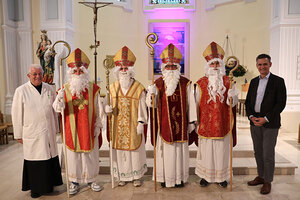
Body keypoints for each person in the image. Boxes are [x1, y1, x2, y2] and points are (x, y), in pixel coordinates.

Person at [52, 48, 104, 195]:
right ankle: (73, 182)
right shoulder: (64, 89)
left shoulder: (93, 89)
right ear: (70, 73)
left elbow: (98, 109)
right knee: (73, 157)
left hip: (89, 129)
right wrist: (60, 98)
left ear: (85, 71)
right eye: (75, 71)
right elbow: (57, 109)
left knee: (90, 156)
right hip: (71, 129)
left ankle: (92, 180)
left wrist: (98, 125)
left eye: (80, 71)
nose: (78, 73)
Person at [147, 43, 197, 188]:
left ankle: (179, 179)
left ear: (178, 68)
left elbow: (191, 103)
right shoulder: (158, 84)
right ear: (163, 68)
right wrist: (151, 95)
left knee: (179, 153)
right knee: (166, 154)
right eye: (168, 66)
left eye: (173, 66)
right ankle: (165, 178)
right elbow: (152, 105)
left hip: (181, 126)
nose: (171, 69)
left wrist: (191, 122)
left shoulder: (185, 84)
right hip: (164, 127)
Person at [11, 64, 63, 198]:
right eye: (34, 74)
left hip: (48, 131)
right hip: (32, 131)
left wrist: (56, 128)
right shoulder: (21, 91)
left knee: (49, 157)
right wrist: (18, 134)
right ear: (29, 76)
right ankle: (35, 188)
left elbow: (53, 110)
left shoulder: (49, 88)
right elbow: (16, 114)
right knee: (35, 160)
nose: (38, 76)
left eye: (40, 73)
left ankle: (49, 185)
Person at [194, 41, 239, 188]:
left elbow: (232, 104)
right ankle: (205, 177)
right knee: (206, 151)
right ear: (207, 66)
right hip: (205, 124)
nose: (215, 67)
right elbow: (195, 104)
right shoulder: (200, 83)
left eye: (217, 64)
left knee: (221, 151)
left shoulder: (228, 82)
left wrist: (233, 95)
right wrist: (194, 122)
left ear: (221, 66)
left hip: (223, 123)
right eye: (212, 64)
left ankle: (221, 177)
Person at [104, 46, 148, 187]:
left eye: (126, 68)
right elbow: (106, 106)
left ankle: (136, 176)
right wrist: (107, 109)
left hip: (133, 125)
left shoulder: (138, 87)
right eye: (121, 68)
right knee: (121, 153)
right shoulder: (111, 88)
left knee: (135, 152)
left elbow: (142, 106)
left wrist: (141, 121)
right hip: (118, 127)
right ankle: (122, 176)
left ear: (131, 70)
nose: (124, 71)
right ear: (117, 70)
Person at [245, 54, 286, 195]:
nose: (262, 67)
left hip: (270, 123)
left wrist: (266, 118)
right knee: (258, 152)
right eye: (260, 64)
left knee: (268, 153)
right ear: (257, 65)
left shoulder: (278, 81)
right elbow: (248, 102)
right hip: (255, 122)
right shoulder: (253, 81)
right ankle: (261, 176)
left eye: (265, 64)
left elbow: (280, 103)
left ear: (270, 64)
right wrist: (251, 117)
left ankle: (267, 181)